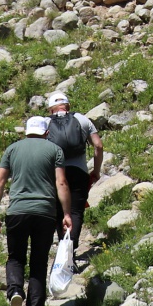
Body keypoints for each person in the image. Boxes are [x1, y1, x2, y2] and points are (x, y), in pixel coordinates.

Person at [0, 116, 73, 306]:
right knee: (38, 261)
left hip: (17, 212)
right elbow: (61, 182)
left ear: (26, 131)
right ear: (46, 132)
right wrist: (67, 213)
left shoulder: (12, 149)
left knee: (15, 257)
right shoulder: (54, 150)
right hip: (44, 212)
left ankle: (15, 291)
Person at [43, 91, 102, 255]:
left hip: (54, 174)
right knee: (75, 211)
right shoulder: (82, 120)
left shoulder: (45, 123)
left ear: (50, 109)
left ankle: (63, 245)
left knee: (58, 211)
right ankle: (69, 250)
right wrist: (96, 171)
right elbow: (98, 146)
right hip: (79, 172)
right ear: (68, 106)